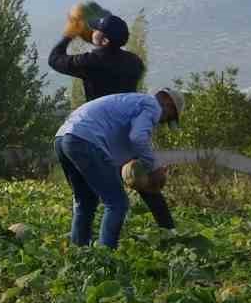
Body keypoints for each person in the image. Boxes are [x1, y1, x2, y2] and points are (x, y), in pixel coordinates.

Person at [48, 12, 175, 229]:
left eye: (95, 30)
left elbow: (55, 60)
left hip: (98, 133)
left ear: (104, 40)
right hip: (127, 128)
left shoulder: (91, 62)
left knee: (93, 198)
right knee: (147, 187)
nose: (91, 32)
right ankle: (169, 230)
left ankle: (86, 243)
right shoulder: (135, 63)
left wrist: (70, 35)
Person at [53, 87, 183, 249]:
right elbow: (137, 138)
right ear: (167, 102)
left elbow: (121, 149)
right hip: (84, 140)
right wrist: (153, 167)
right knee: (117, 203)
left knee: (85, 201)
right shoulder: (152, 105)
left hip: (63, 138)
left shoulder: (130, 102)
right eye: (169, 118)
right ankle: (106, 255)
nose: (162, 122)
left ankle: (79, 252)